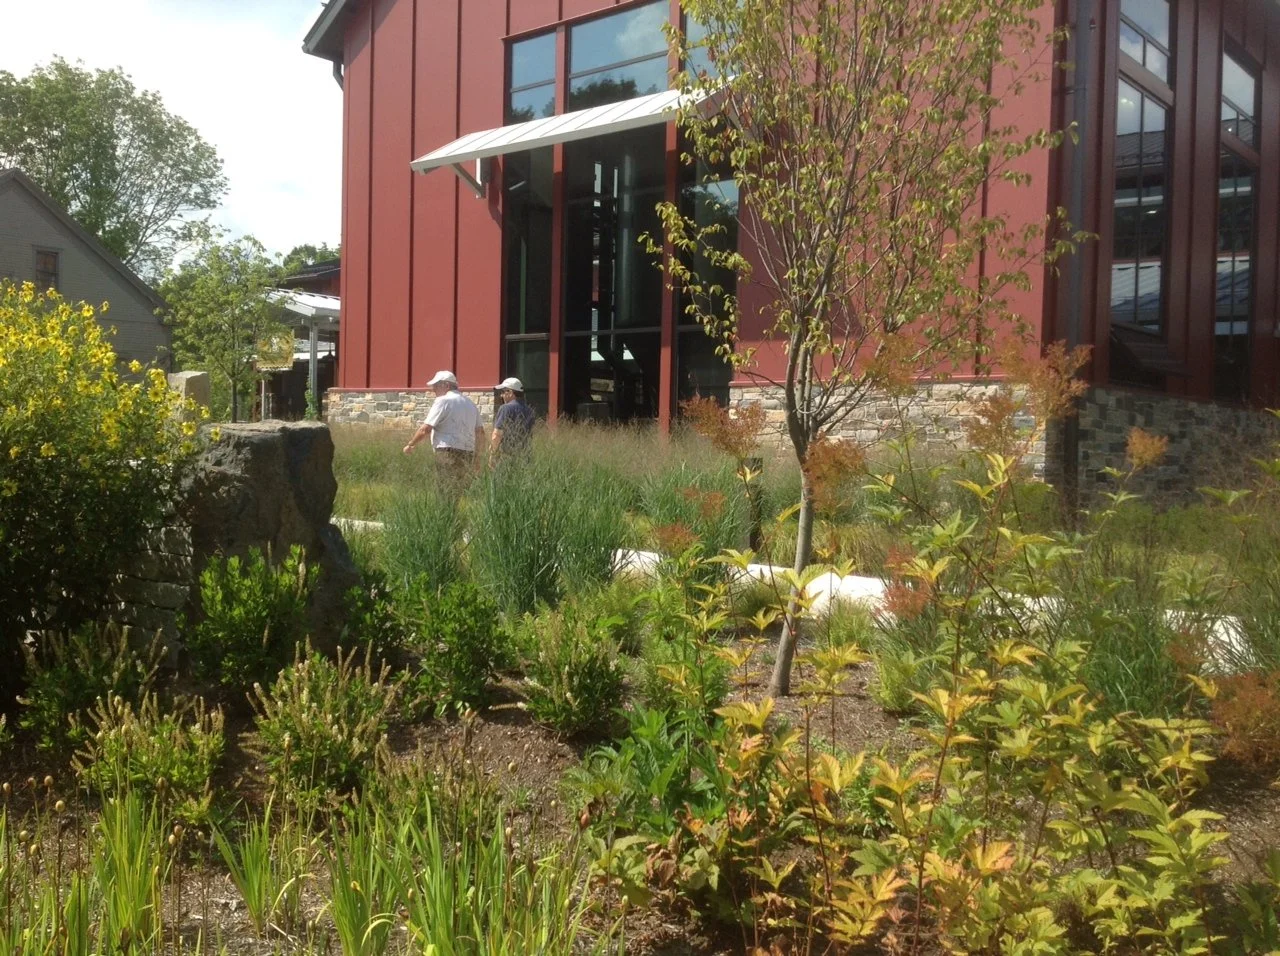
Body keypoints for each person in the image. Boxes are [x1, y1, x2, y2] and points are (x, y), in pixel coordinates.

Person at [402, 370, 484, 489]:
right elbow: (480, 433)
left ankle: (445, 508)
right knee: (458, 489)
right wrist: (477, 458)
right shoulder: (470, 404)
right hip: (467, 453)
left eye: (435, 386)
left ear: (446, 385)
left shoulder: (443, 401)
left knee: (444, 489)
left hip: (447, 452)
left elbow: (425, 429)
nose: (433, 389)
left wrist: (410, 444)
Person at [489, 376, 536, 464]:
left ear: (510, 392)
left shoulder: (505, 408)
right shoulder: (529, 411)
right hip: (525, 457)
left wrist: (493, 455)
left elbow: (497, 435)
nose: (501, 395)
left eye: (503, 392)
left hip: (506, 457)